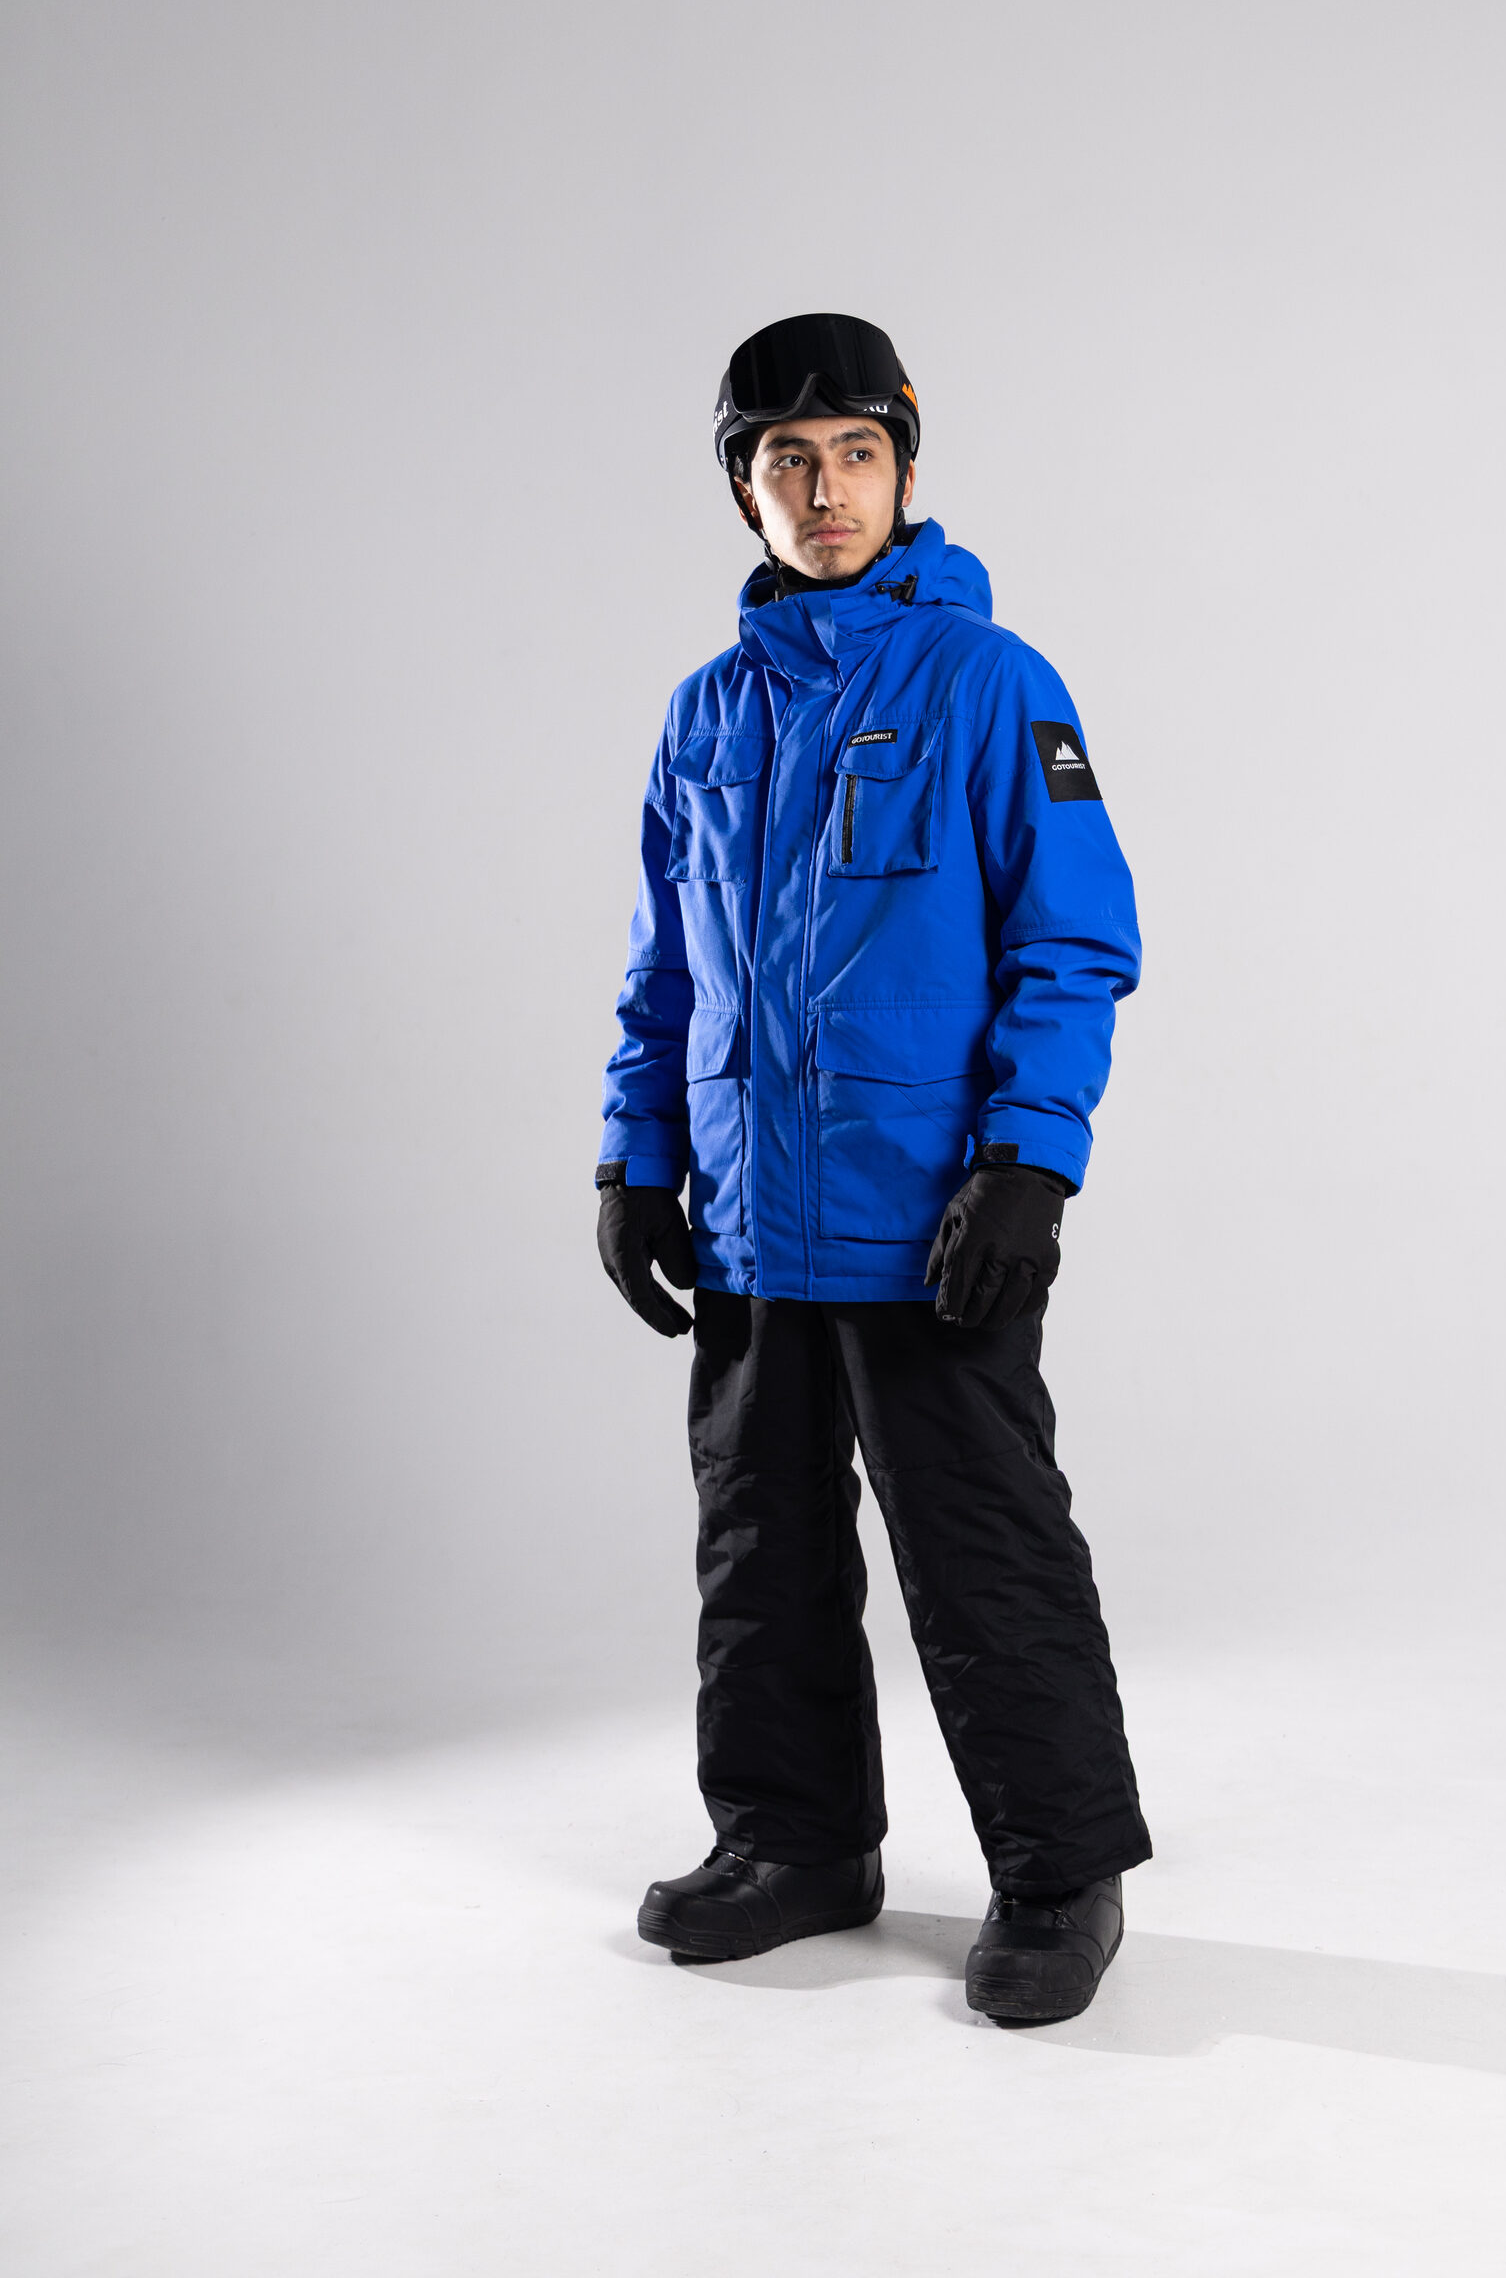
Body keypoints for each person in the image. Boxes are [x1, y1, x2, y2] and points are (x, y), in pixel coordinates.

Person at [595, 312, 1150, 2025]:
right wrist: (637, 1158)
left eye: (855, 453)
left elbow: (1074, 941)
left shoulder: (993, 684)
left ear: (905, 470)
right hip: (752, 1222)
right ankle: (795, 1844)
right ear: (744, 491)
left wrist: (1029, 1164)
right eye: (788, 460)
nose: (825, 489)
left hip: (930, 1222)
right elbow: (666, 972)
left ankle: (1058, 1875)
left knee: (983, 1551)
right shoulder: (706, 714)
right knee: (759, 1549)